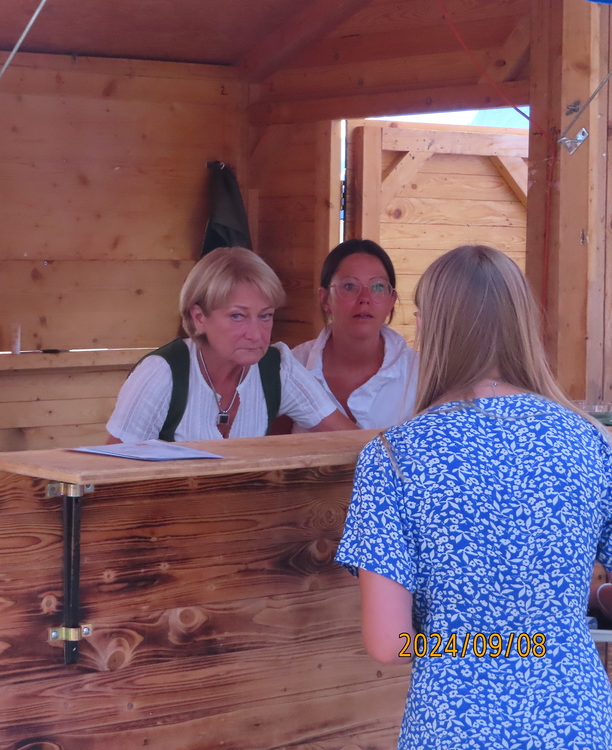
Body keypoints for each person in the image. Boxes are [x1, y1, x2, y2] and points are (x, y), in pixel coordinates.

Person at [336, 245, 612, 748]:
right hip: (578, 719)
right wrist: (561, 611)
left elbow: (387, 642)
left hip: (452, 726)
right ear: (523, 323)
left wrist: (481, 644)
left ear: (430, 328)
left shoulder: (393, 457)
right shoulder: (590, 440)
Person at [106, 246, 356, 442]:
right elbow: (111, 472)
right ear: (199, 317)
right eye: (237, 316)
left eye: (265, 316)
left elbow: (354, 441)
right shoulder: (161, 374)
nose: (256, 334)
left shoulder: (278, 369)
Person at [291, 239, 417, 431]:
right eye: (349, 286)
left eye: (378, 287)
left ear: (391, 301)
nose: (364, 299)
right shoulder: (293, 367)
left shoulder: (421, 374)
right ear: (325, 298)